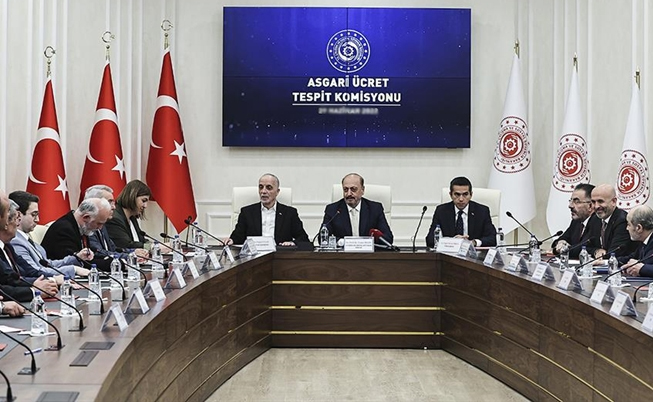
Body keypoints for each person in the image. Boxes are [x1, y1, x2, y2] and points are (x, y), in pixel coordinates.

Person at [9, 191, 91, 278]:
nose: (37, 220)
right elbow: (35, 271)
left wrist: (76, 258)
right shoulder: (15, 241)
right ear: (18, 215)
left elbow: (49, 264)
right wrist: (73, 269)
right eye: (33, 215)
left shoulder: (26, 239)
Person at [226, 174, 309, 246]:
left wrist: (292, 243)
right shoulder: (247, 212)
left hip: (279, 256)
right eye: (261, 187)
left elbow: (303, 239)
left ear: (277, 192)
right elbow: (238, 236)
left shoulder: (289, 213)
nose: (263, 191)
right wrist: (231, 240)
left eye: (269, 188)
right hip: (255, 257)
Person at [0, 199, 59, 296]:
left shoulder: (8, 247)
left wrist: (50, 280)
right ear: (6, 223)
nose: (18, 224)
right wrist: (34, 289)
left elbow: (29, 271)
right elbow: (9, 280)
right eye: (16, 219)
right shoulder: (13, 244)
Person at [41, 198, 113, 271]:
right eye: (99, 223)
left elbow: (88, 257)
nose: (100, 228)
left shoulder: (83, 227)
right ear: (86, 217)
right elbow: (76, 262)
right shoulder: (64, 229)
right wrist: (110, 264)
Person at [322, 173, 393, 245]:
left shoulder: (375, 209)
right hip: (343, 251)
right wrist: (342, 242)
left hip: (368, 252)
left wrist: (366, 243)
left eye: (353, 189)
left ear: (362, 190)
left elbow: (388, 238)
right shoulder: (333, 210)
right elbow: (323, 239)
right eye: (345, 189)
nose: (349, 194)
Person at [426, 176, 496, 248]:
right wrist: (453, 242)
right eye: (457, 194)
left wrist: (474, 242)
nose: (461, 199)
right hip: (449, 253)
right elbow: (430, 240)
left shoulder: (482, 211)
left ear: (471, 195)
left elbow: (493, 238)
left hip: (474, 253)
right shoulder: (441, 211)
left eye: (465, 194)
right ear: (450, 195)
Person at [551, 183, 602, 259]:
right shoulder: (577, 221)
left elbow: (584, 248)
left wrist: (564, 249)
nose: (570, 206)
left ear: (590, 206)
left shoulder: (597, 221)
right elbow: (561, 240)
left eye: (577, 201)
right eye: (571, 201)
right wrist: (561, 242)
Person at [84, 185, 132, 260]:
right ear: (95, 203)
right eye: (109, 202)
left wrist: (133, 252)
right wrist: (128, 256)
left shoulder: (103, 224)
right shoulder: (88, 224)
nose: (114, 207)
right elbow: (98, 252)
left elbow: (113, 249)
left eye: (113, 202)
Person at [590, 184, 637, 258]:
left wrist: (601, 255)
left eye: (600, 201)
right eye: (593, 202)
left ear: (613, 202)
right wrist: (596, 251)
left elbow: (615, 253)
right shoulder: (595, 219)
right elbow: (583, 246)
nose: (596, 206)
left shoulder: (622, 220)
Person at [105, 180, 150, 253]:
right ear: (132, 197)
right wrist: (151, 247)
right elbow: (125, 245)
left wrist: (156, 245)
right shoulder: (114, 218)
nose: (145, 206)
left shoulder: (132, 218)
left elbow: (141, 240)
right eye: (143, 201)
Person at [620, 205, 653, 277]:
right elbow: (630, 258)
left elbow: (642, 266)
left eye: (629, 225)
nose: (627, 228)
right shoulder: (644, 242)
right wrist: (607, 262)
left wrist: (642, 268)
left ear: (639, 228)